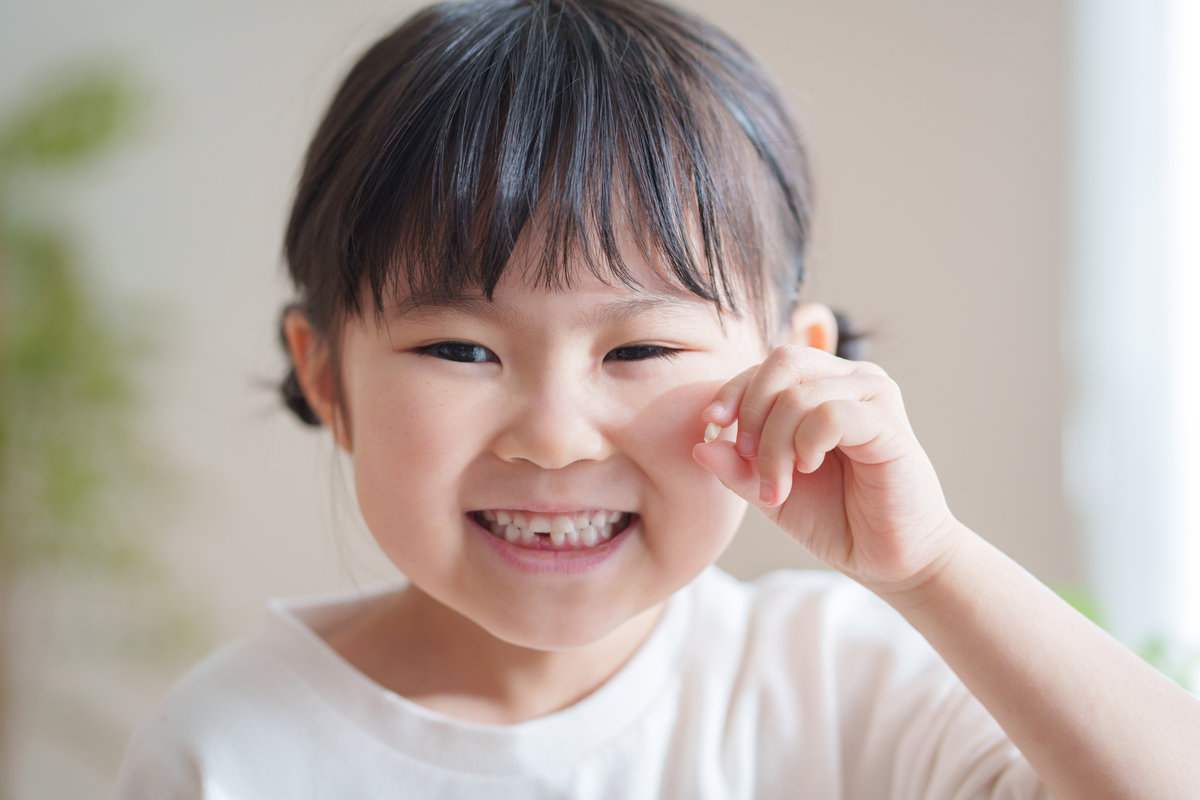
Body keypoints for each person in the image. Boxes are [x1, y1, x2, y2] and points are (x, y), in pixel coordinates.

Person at [113, 0, 1200, 797]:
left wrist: (932, 566)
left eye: (637, 348)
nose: (550, 435)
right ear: (324, 374)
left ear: (793, 362)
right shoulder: (227, 750)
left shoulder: (836, 682)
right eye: (458, 345)